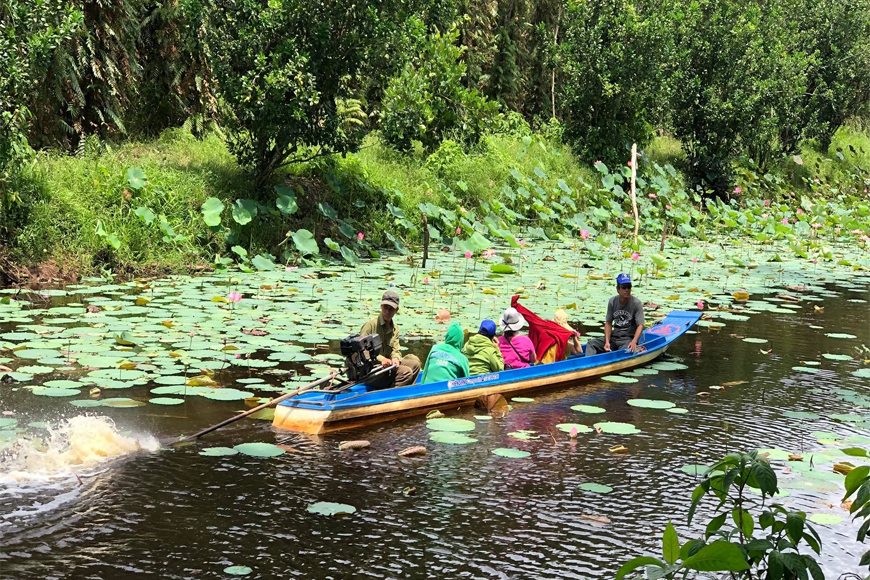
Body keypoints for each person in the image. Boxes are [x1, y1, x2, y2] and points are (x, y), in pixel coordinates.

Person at [359, 290, 421, 387]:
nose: (387, 311)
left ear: (396, 310)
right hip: (371, 369)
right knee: (406, 372)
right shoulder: (370, 325)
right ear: (381, 306)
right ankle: (391, 394)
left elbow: (396, 349)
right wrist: (382, 359)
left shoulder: (395, 328)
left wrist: (396, 358)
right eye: (385, 307)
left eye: (391, 309)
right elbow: (362, 351)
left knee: (415, 365)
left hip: (388, 367)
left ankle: (404, 390)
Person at [585, 273, 644, 356]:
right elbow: (608, 323)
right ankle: (589, 364)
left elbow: (640, 325)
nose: (627, 289)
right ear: (618, 289)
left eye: (629, 286)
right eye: (624, 287)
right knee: (591, 344)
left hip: (627, 339)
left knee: (623, 352)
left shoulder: (636, 303)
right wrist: (607, 341)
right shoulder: (612, 302)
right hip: (614, 337)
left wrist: (634, 341)